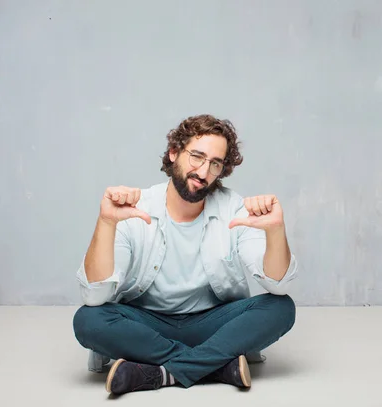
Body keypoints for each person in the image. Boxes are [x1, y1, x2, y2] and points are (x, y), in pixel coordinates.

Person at [72, 114, 298, 395]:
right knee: (88, 320)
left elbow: (279, 284)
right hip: (146, 325)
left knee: (281, 308)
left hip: (212, 324)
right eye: (197, 157)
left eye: (215, 164)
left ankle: (162, 372)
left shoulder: (234, 209)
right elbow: (94, 296)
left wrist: (275, 231)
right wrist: (106, 223)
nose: (203, 172)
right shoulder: (135, 207)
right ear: (174, 152)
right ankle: (214, 366)